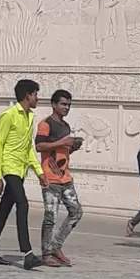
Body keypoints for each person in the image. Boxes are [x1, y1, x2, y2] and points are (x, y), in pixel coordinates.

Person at [0, 78, 43, 269]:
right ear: (28, 95)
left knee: (4, 208)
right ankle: (27, 252)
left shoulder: (30, 117)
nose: (37, 98)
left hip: (20, 169)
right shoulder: (8, 115)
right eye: (35, 94)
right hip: (9, 168)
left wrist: (39, 172)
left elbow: (28, 149)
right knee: (23, 204)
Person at [37, 89, 84, 267]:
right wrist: (63, 142)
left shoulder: (65, 126)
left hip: (65, 177)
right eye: (63, 104)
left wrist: (72, 147)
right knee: (50, 216)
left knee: (76, 211)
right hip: (50, 178)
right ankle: (46, 253)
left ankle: (56, 246)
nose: (66, 107)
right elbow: (40, 146)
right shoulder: (45, 124)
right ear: (54, 104)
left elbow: (61, 150)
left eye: (69, 105)